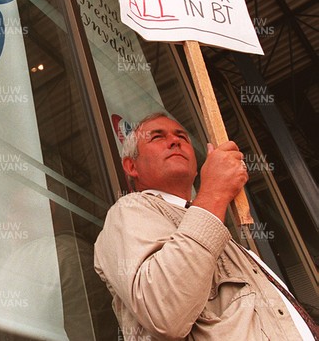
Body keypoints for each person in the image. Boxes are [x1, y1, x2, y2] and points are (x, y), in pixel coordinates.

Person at [94, 112, 317, 340]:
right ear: (131, 166)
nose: (175, 140)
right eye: (157, 137)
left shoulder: (215, 229)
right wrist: (214, 192)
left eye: (182, 136)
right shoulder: (129, 209)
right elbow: (163, 311)